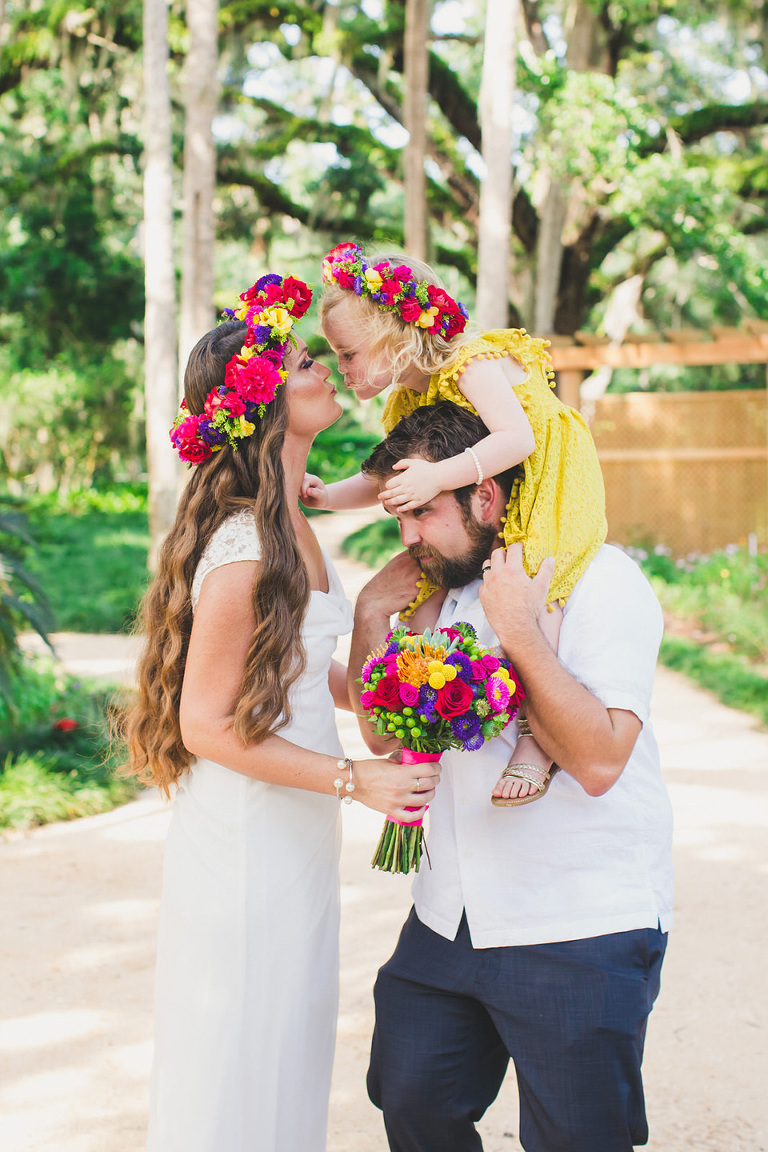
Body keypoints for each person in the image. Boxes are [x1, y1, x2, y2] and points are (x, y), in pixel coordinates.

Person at [123, 274, 439, 1152]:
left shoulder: (294, 525)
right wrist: (356, 778)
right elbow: (206, 726)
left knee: (288, 1039)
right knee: (241, 1048)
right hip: (249, 837)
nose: (329, 370)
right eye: (309, 361)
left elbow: (300, 671)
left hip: (292, 828)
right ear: (266, 401)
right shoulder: (245, 544)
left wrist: (403, 694)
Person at [347, 401, 673, 1152]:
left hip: (576, 920)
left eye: (422, 512)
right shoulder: (440, 591)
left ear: (484, 494)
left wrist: (519, 627)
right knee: (411, 1101)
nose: (408, 538)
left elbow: (596, 761)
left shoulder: (599, 582)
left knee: (579, 1140)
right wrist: (371, 615)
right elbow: (386, 738)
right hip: (445, 918)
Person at [301, 240, 608, 808]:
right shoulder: (404, 400)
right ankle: (423, 719)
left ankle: (538, 741)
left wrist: (440, 476)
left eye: (349, 354)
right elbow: (386, 478)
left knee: (541, 583)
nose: (340, 369)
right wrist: (326, 496)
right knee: (457, 593)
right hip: (486, 480)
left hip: (546, 474)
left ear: (396, 336)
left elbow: (518, 439)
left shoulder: (469, 362)